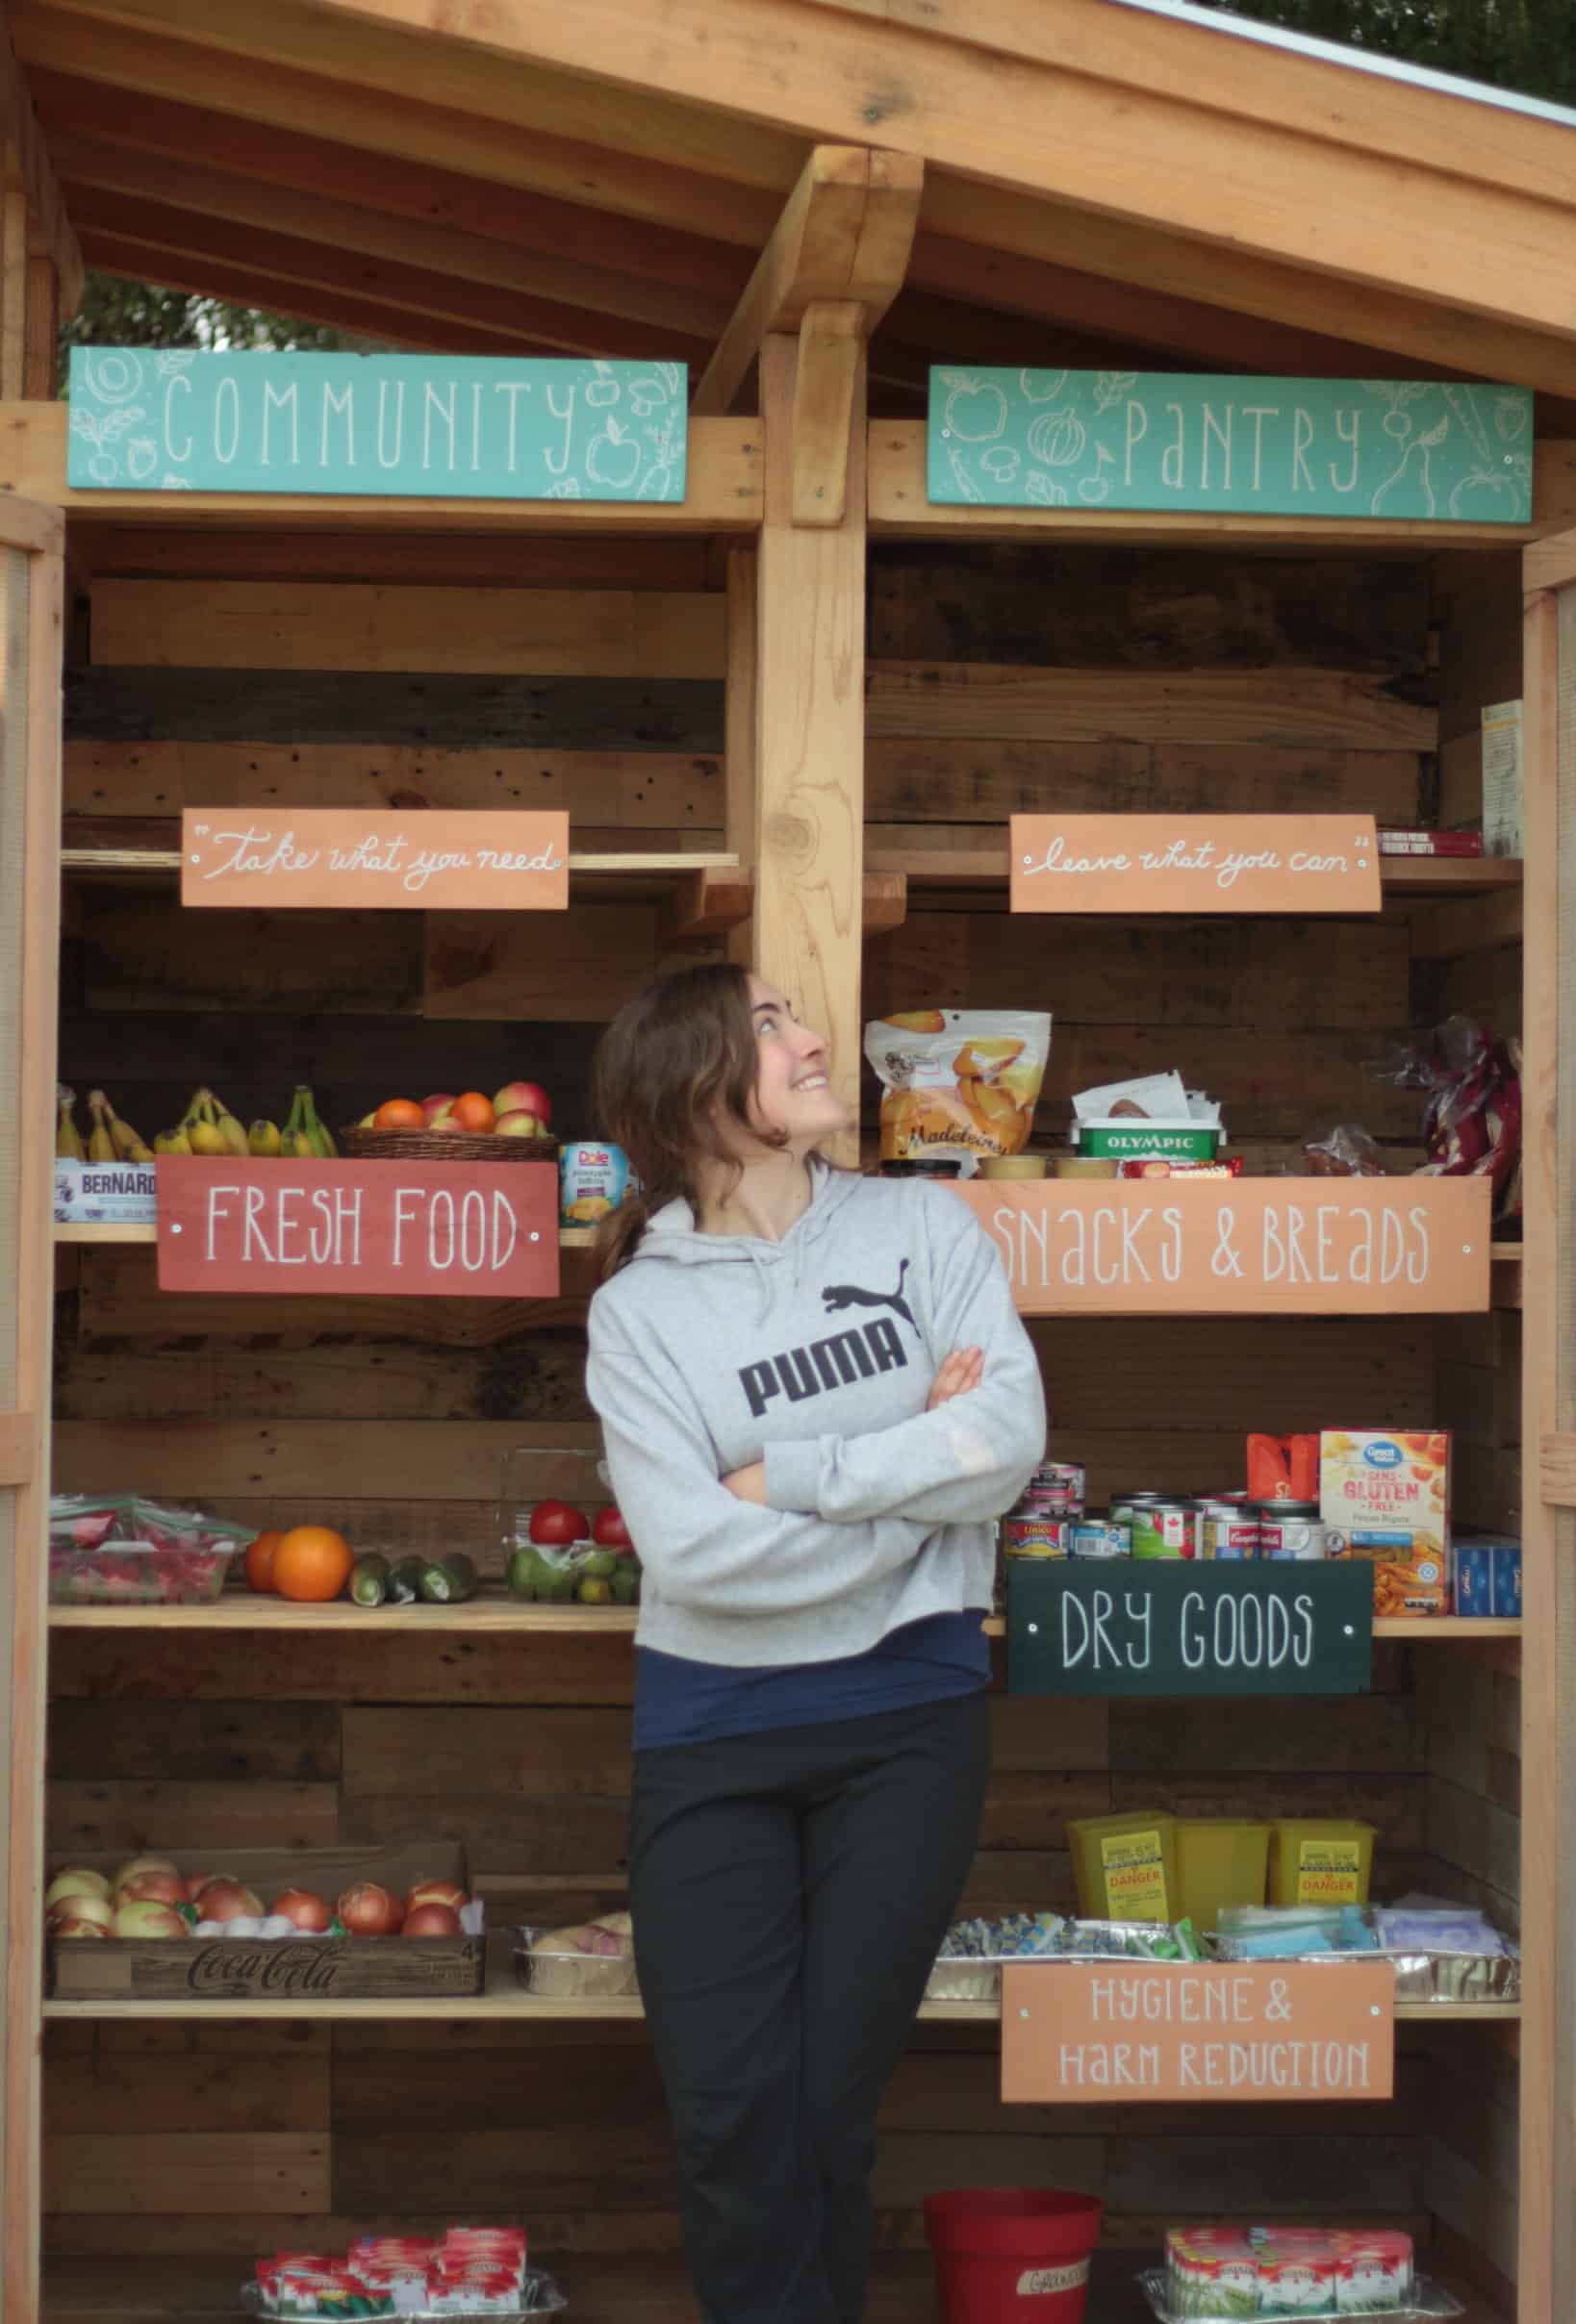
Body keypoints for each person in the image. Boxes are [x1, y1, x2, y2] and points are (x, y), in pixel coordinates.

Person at [584, 960, 1047, 2324]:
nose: (814, 1040)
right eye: (771, 1024)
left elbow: (1004, 1443)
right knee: (734, 2119)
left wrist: (789, 1479)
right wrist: (918, 1493)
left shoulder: (925, 1229)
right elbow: (691, 1553)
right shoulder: (641, 1312)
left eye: (798, 1017)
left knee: (826, 2111)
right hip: (710, 1732)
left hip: (909, 1722)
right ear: (694, 1091)